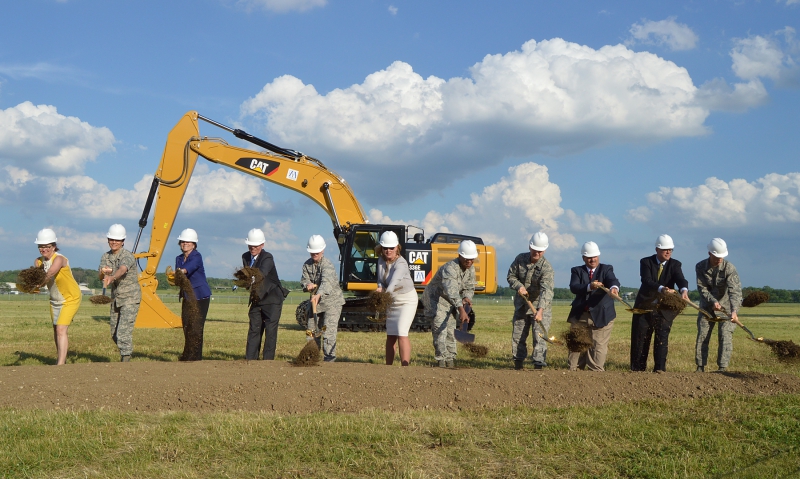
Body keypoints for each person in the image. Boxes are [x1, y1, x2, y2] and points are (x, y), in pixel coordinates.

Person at [630, 234, 690, 372]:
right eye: (665, 249)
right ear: (657, 249)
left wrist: (684, 290)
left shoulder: (675, 264)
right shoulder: (646, 262)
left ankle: (659, 370)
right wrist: (662, 288)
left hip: (664, 309)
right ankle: (637, 370)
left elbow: (681, 279)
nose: (668, 252)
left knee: (661, 339)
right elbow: (646, 280)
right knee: (640, 339)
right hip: (644, 306)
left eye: (670, 249)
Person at [567, 241, 620, 371]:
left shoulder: (606, 269)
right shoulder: (577, 271)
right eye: (589, 257)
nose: (592, 259)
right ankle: (574, 373)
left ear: (598, 256)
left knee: (597, 347)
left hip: (602, 315)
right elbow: (574, 287)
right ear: (583, 258)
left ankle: (595, 376)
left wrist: (614, 288)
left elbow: (613, 280)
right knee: (576, 345)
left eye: (595, 256)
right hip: (581, 315)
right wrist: (590, 286)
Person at [423, 239, 477, 368]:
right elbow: (451, 290)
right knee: (440, 329)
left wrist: (467, 298)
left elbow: (469, 287)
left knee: (451, 330)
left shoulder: (471, 269)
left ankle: (450, 360)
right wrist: (461, 310)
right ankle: (441, 361)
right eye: (466, 258)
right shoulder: (450, 268)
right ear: (459, 255)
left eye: (471, 258)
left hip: (451, 301)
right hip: (436, 299)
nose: (469, 261)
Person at [33, 228, 82, 366]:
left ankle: (60, 365)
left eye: (47, 246)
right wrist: (32, 286)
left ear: (53, 246)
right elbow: (37, 277)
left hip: (71, 298)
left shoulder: (60, 259)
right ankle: (61, 359)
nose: (43, 249)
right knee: (56, 329)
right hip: (55, 299)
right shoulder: (38, 262)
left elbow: (50, 273)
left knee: (61, 329)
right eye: (41, 246)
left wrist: (39, 283)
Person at [507, 232, 555, 370]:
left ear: (544, 250)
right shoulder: (520, 259)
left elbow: (547, 291)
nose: (537, 253)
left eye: (540, 251)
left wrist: (540, 311)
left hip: (540, 306)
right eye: (535, 250)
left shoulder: (547, 268)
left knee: (539, 337)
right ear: (530, 246)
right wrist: (519, 286)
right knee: (518, 335)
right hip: (521, 305)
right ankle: (518, 363)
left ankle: (538, 365)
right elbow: (511, 276)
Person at [695, 238, 742, 373]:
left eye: (722, 257)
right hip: (707, 307)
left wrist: (734, 311)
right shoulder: (700, 266)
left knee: (725, 335)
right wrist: (712, 301)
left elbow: (735, 291)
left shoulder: (730, 268)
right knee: (702, 335)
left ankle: (722, 368)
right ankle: (700, 367)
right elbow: (702, 288)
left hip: (727, 307)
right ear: (710, 253)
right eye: (717, 257)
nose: (720, 259)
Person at [99, 224, 141, 362]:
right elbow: (101, 274)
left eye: (117, 240)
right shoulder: (106, 256)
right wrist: (103, 273)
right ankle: (125, 353)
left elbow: (122, 269)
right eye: (111, 239)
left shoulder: (127, 256)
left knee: (123, 332)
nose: (114, 242)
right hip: (116, 298)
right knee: (114, 333)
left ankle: (126, 359)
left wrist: (113, 277)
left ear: (123, 241)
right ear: (108, 240)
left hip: (130, 297)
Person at [301, 234, 345, 362]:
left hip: (332, 303)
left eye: (317, 252)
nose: (314, 254)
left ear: (322, 250)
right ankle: (311, 357)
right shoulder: (306, 265)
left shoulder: (327, 265)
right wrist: (307, 285)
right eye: (312, 252)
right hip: (315, 304)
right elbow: (304, 280)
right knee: (311, 332)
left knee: (328, 332)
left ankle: (329, 359)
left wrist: (318, 294)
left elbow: (326, 283)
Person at [375, 231, 417, 366]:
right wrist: (380, 287)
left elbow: (393, 283)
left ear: (397, 247)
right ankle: (389, 368)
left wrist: (384, 296)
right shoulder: (380, 261)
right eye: (385, 248)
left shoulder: (401, 264)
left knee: (401, 331)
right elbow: (380, 280)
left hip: (406, 300)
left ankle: (405, 367)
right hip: (391, 299)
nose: (388, 251)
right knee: (391, 334)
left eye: (391, 248)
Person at [243, 228, 285, 360]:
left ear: (262, 245)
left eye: (256, 245)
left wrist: (247, 279)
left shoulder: (267, 257)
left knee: (270, 332)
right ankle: (250, 360)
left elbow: (261, 274)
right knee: (254, 329)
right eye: (250, 245)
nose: (253, 248)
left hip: (272, 300)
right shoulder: (245, 256)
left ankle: (267, 363)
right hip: (257, 298)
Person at [174, 228, 212, 361]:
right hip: (187, 296)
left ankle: (195, 357)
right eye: (183, 242)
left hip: (200, 296)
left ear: (194, 244)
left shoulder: (197, 256)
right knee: (187, 325)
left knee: (196, 327)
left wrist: (181, 271)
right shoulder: (178, 258)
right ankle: (187, 354)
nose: (185, 244)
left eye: (188, 242)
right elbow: (179, 277)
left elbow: (190, 267)